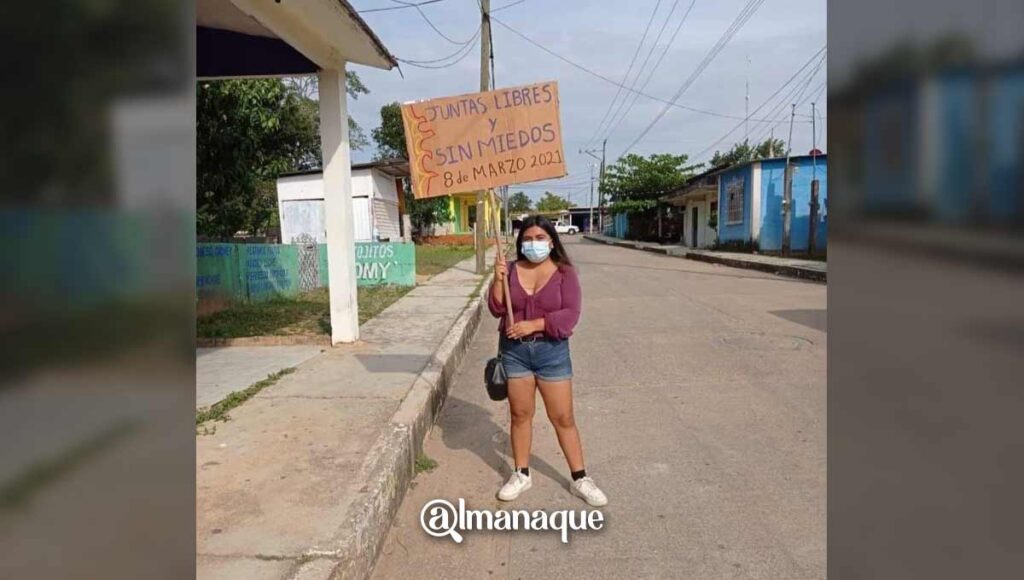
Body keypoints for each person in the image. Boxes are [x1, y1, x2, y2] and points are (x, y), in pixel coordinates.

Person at [486, 215, 608, 507]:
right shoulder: (511, 269)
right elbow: (497, 308)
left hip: (551, 353)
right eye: (528, 238)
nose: (533, 243)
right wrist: (497, 278)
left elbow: (570, 315)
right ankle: (521, 473)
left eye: (540, 238)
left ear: (552, 241)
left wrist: (535, 324)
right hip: (515, 353)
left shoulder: (565, 272)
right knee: (520, 415)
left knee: (563, 417)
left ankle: (580, 478)